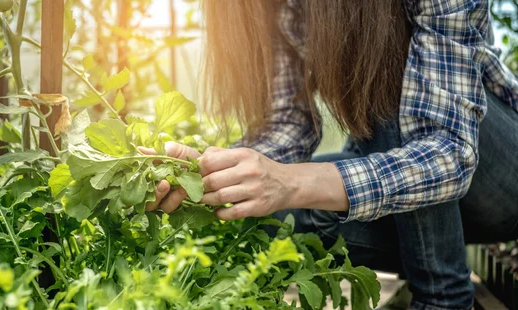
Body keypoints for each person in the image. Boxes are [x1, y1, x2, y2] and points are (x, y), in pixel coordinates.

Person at [144, 1, 518, 309]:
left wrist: (291, 182)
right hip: (415, 196)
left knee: (379, 63)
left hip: (495, 179)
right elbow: (288, 123)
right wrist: (210, 176)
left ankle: (443, 298)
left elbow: (449, 153)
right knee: (268, 215)